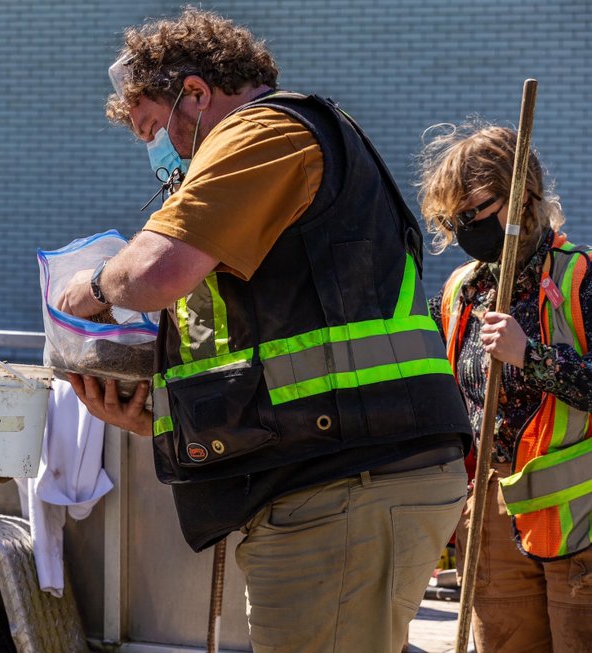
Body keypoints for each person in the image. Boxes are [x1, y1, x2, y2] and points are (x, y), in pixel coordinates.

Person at [58, 8, 472, 652]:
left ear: (194, 93)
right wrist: (162, 416)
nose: (161, 153)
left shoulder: (261, 132)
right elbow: (273, 351)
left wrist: (91, 288)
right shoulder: (276, 147)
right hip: (333, 482)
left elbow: (155, 273)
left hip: (343, 490)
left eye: (154, 129)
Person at [419, 122, 592, 652]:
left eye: (476, 210)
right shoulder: (462, 290)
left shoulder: (578, 278)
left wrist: (531, 356)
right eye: (455, 218)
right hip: (491, 513)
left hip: (579, 519)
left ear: (524, 197)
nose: (467, 226)